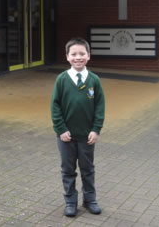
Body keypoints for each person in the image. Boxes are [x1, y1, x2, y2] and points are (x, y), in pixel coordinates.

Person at [51, 38, 105, 217]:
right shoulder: (61, 79)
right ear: (67, 57)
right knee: (68, 170)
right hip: (66, 136)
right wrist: (61, 129)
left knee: (87, 169)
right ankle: (70, 202)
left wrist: (96, 129)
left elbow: (99, 106)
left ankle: (90, 200)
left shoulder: (94, 80)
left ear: (88, 56)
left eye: (82, 54)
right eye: (74, 54)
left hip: (86, 136)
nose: (78, 57)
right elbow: (55, 106)